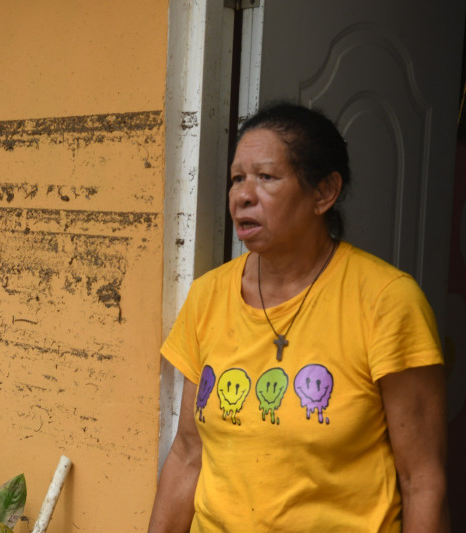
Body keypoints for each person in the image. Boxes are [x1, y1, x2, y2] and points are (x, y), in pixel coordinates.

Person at [148, 103, 448, 532]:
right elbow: (187, 453)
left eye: (266, 177)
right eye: (237, 179)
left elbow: (422, 480)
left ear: (324, 193)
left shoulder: (385, 301)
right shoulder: (207, 296)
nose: (243, 195)